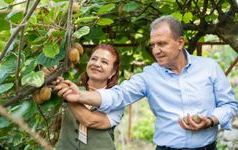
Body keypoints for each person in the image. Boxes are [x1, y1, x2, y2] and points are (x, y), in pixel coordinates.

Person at [56, 16, 238, 149]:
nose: (156, 50)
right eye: (153, 45)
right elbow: (118, 95)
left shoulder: (209, 67)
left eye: (162, 44)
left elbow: (229, 105)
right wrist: (79, 95)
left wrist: (211, 120)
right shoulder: (149, 76)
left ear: (180, 42)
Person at [55, 44, 124, 150]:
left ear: (113, 73)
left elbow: (89, 120)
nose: (96, 64)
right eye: (94, 59)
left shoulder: (116, 100)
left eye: (104, 62)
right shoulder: (73, 88)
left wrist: (68, 96)